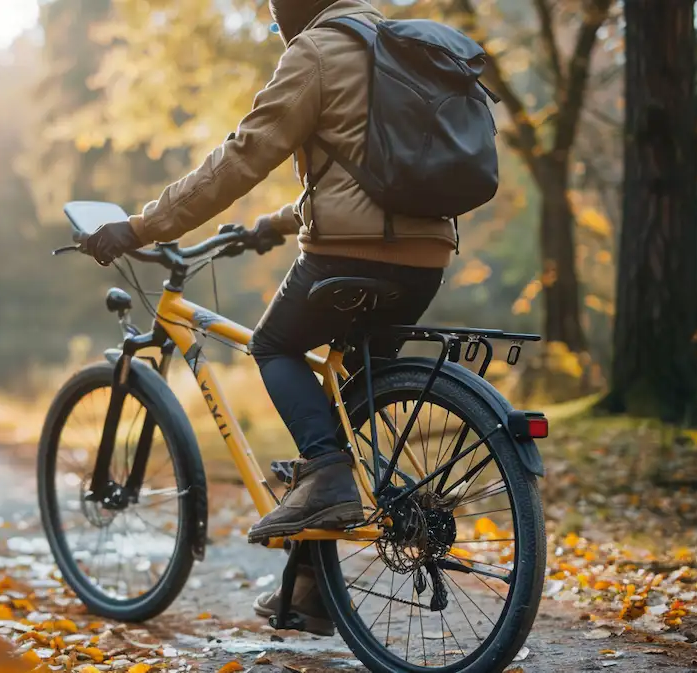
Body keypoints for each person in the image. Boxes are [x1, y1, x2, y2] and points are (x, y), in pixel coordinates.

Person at [78, 0, 456, 635]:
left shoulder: (313, 52)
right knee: (344, 406)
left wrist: (142, 225)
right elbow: (368, 172)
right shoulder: (391, 48)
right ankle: (311, 588)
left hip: (347, 257)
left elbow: (241, 158)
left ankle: (329, 478)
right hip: (427, 256)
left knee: (274, 346)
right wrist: (275, 224)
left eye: (277, 12)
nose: (277, 25)